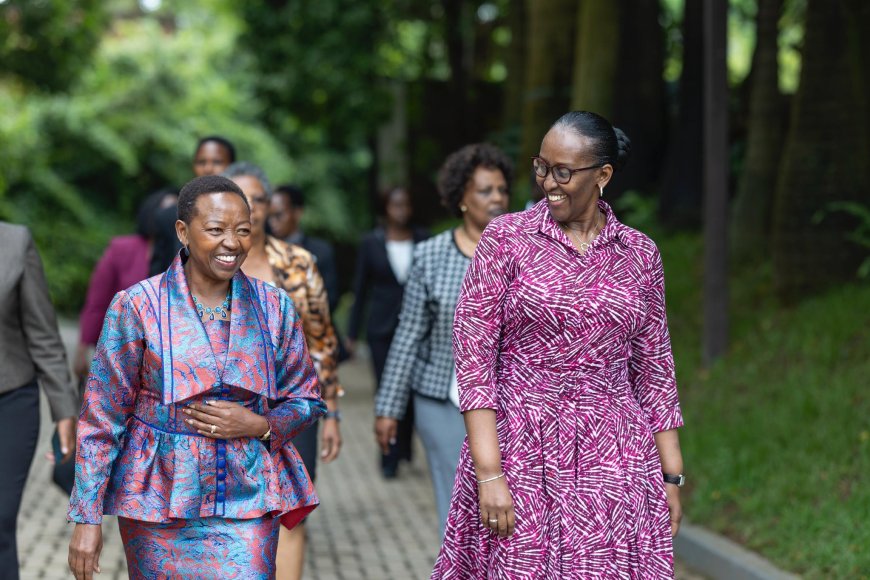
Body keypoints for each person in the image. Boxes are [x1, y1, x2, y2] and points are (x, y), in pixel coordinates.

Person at [433, 111, 685, 578]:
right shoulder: (506, 240)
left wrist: (671, 475)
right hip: (520, 447)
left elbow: (654, 370)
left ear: (603, 176)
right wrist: (490, 473)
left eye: (564, 172)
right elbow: (474, 360)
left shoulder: (640, 254)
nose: (549, 182)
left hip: (616, 455)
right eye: (541, 167)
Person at [67, 175, 326, 580]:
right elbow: (102, 418)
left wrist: (262, 424)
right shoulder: (137, 306)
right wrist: (87, 517)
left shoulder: (274, 306)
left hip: (247, 494)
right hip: (157, 498)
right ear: (183, 231)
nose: (232, 242)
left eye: (243, 230)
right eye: (216, 229)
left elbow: (307, 399)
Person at [374, 144, 512, 534]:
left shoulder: (524, 253)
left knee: (509, 507)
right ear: (461, 199)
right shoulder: (431, 255)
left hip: (512, 401)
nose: (497, 198)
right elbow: (409, 334)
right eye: (485, 190)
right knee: (460, 506)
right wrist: (389, 408)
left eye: (501, 190)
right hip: (441, 397)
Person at [223, 162, 343, 580]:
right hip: (227, 408)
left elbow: (322, 341)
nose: (249, 207)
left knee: (291, 512)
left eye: (256, 198)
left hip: (293, 406)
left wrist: (332, 414)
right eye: (239, 197)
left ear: (269, 205)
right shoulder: (204, 262)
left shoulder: (297, 262)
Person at [0, 222, 79, 579]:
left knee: (0, 517)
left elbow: (44, 335)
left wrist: (64, 410)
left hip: (10, 399)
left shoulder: (14, 242)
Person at [348, 187, 428, 479]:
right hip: (381, 329)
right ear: (385, 208)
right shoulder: (371, 242)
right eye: (395, 204)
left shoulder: (423, 239)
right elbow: (361, 289)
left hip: (418, 328)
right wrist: (352, 334)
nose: (401, 210)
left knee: (411, 391)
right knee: (387, 390)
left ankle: (405, 446)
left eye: (405, 204)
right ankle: (388, 455)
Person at [149, 135, 238, 276]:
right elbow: (157, 276)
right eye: (201, 162)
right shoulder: (168, 218)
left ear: (233, 167)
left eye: (217, 162)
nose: (208, 168)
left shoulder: (250, 216)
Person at [269, 185, 340, 314]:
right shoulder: (264, 252)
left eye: (279, 215)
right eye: (270, 216)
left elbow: (331, 298)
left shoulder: (320, 251)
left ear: (297, 212)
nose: (273, 222)